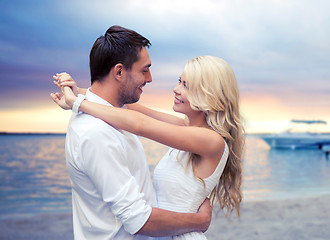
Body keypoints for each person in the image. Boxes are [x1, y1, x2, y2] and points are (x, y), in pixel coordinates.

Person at [52, 54, 245, 239]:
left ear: (209, 94)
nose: (176, 89)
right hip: (167, 233)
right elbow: (131, 109)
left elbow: (139, 125)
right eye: (180, 81)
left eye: (186, 86)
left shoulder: (211, 141)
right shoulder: (186, 128)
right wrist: (77, 91)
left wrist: (78, 103)